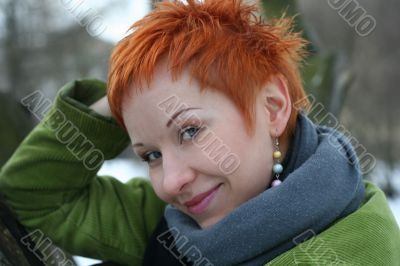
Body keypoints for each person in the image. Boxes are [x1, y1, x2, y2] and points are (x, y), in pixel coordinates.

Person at [0, 0, 399, 265]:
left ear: (273, 107)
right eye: (150, 155)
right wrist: (128, 95)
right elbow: (34, 195)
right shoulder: (167, 223)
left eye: (190, 131)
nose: (172, 182)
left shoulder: (363, 247)